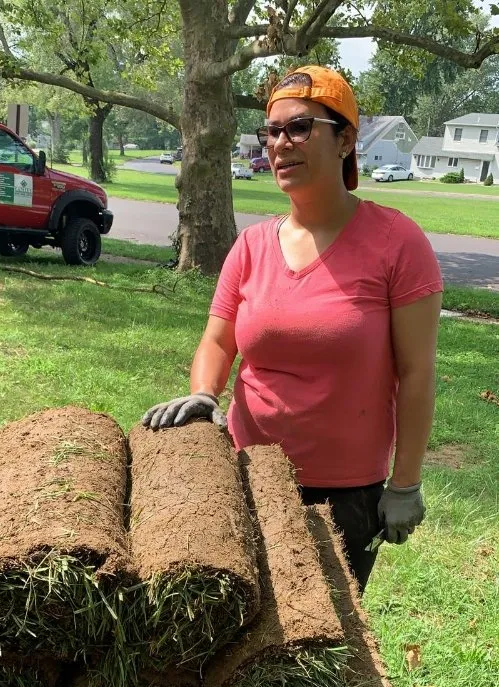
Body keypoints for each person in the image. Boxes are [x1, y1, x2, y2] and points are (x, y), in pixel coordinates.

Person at [143, 65, 443, 593]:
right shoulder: (253, 244)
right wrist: (204, 393)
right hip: (247, 474)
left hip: (344, 496)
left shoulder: (398, 242)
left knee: (313, 649)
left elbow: (417, 374)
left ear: (346, 139)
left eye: (299, 128)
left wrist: (406, 482)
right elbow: (218, 340)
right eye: (272, 131)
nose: (280, 144)